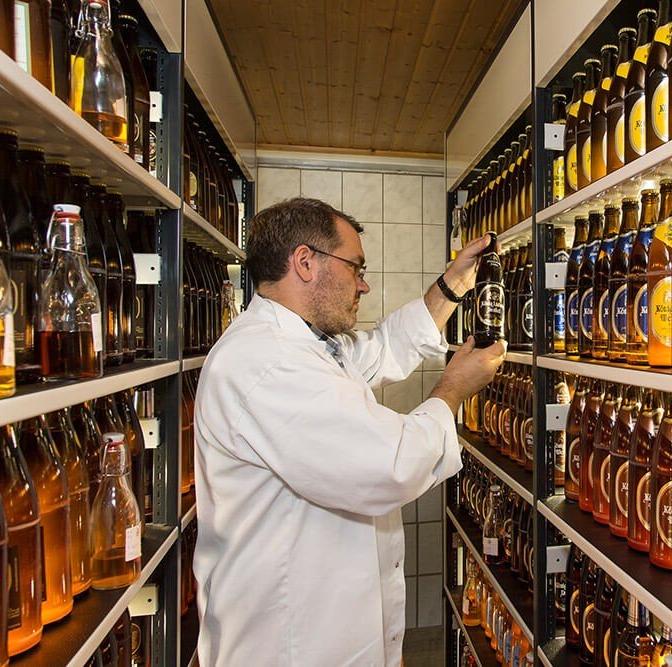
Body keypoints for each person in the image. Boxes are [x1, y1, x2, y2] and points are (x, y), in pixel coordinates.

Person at [193, 197, 505, 666]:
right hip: (288, 647)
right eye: (355, 267)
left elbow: (383, 349)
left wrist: (453, 285)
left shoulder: (308, 345)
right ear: (304, 263)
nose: (364, 284)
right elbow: (389, 467)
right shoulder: (266, 363)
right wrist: (453, 390)